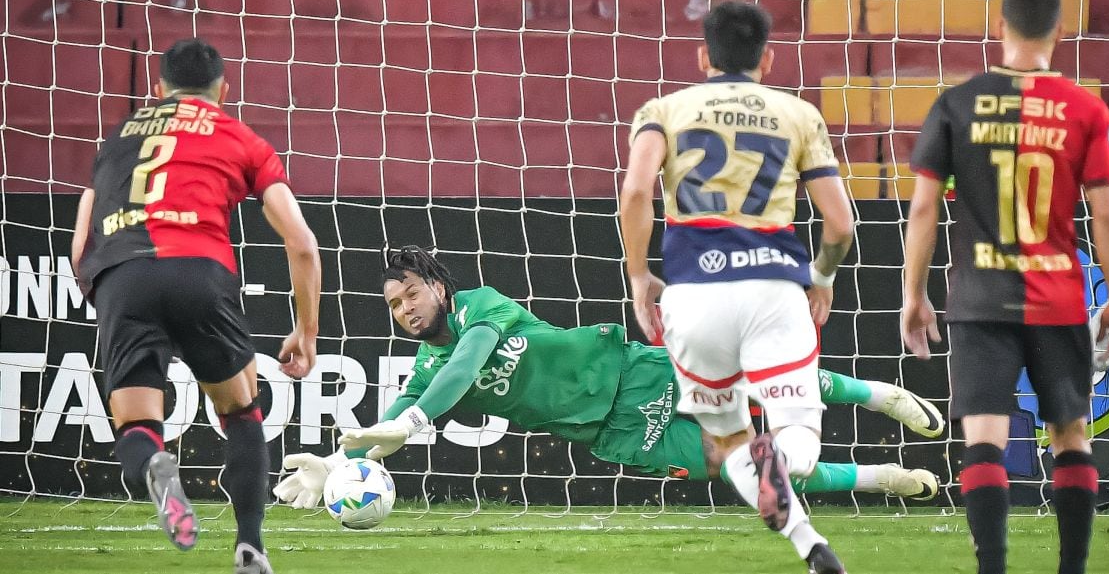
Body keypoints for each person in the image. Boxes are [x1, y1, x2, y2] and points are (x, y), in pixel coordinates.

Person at [272, 245, 942, 512]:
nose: (406, 309)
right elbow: (390, 422)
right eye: (394, 305)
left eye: (411, 293)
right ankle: (881, 477)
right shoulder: (423, 371)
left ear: (438, 286)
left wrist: (413, 421)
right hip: (614, 430)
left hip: (629, 367)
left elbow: (469, 362)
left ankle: (878, 395)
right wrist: (338, 460)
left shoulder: (482, 304)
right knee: (744, 468)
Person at [900, 0, 1109, 574]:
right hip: (1056, 296)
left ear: (998, 28)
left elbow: (924, 207)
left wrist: (913, 294)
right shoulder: (1084, 109)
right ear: (1059, 31)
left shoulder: (956, 103)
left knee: (984, 437)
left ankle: (992, 570)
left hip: (978, 298)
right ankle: (1072, 569)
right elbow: (1106, 212)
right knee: (1070, 435)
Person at [619, 0, 855, 574]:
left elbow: (634, 194)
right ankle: (780, 459)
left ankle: (809, 545)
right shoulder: (798, 114)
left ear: (704, 55)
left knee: (727, 444)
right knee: (798, 434)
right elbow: (842, 223)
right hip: (773, 289)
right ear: (768, 58)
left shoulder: (663, 110)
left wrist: (638, 274)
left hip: (693, 294)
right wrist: (820, 279)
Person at [70, 38, 321, 574]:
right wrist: (306, 332)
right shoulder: (239, 136)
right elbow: (302, 243)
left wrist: (111, 294)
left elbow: (79, 246)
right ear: (223, 91)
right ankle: (250, 545)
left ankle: (157, 464)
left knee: (137, 426)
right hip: (199, 271)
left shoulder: (116, 142)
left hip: (123, 274)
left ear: (157, 91)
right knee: (240, 411)